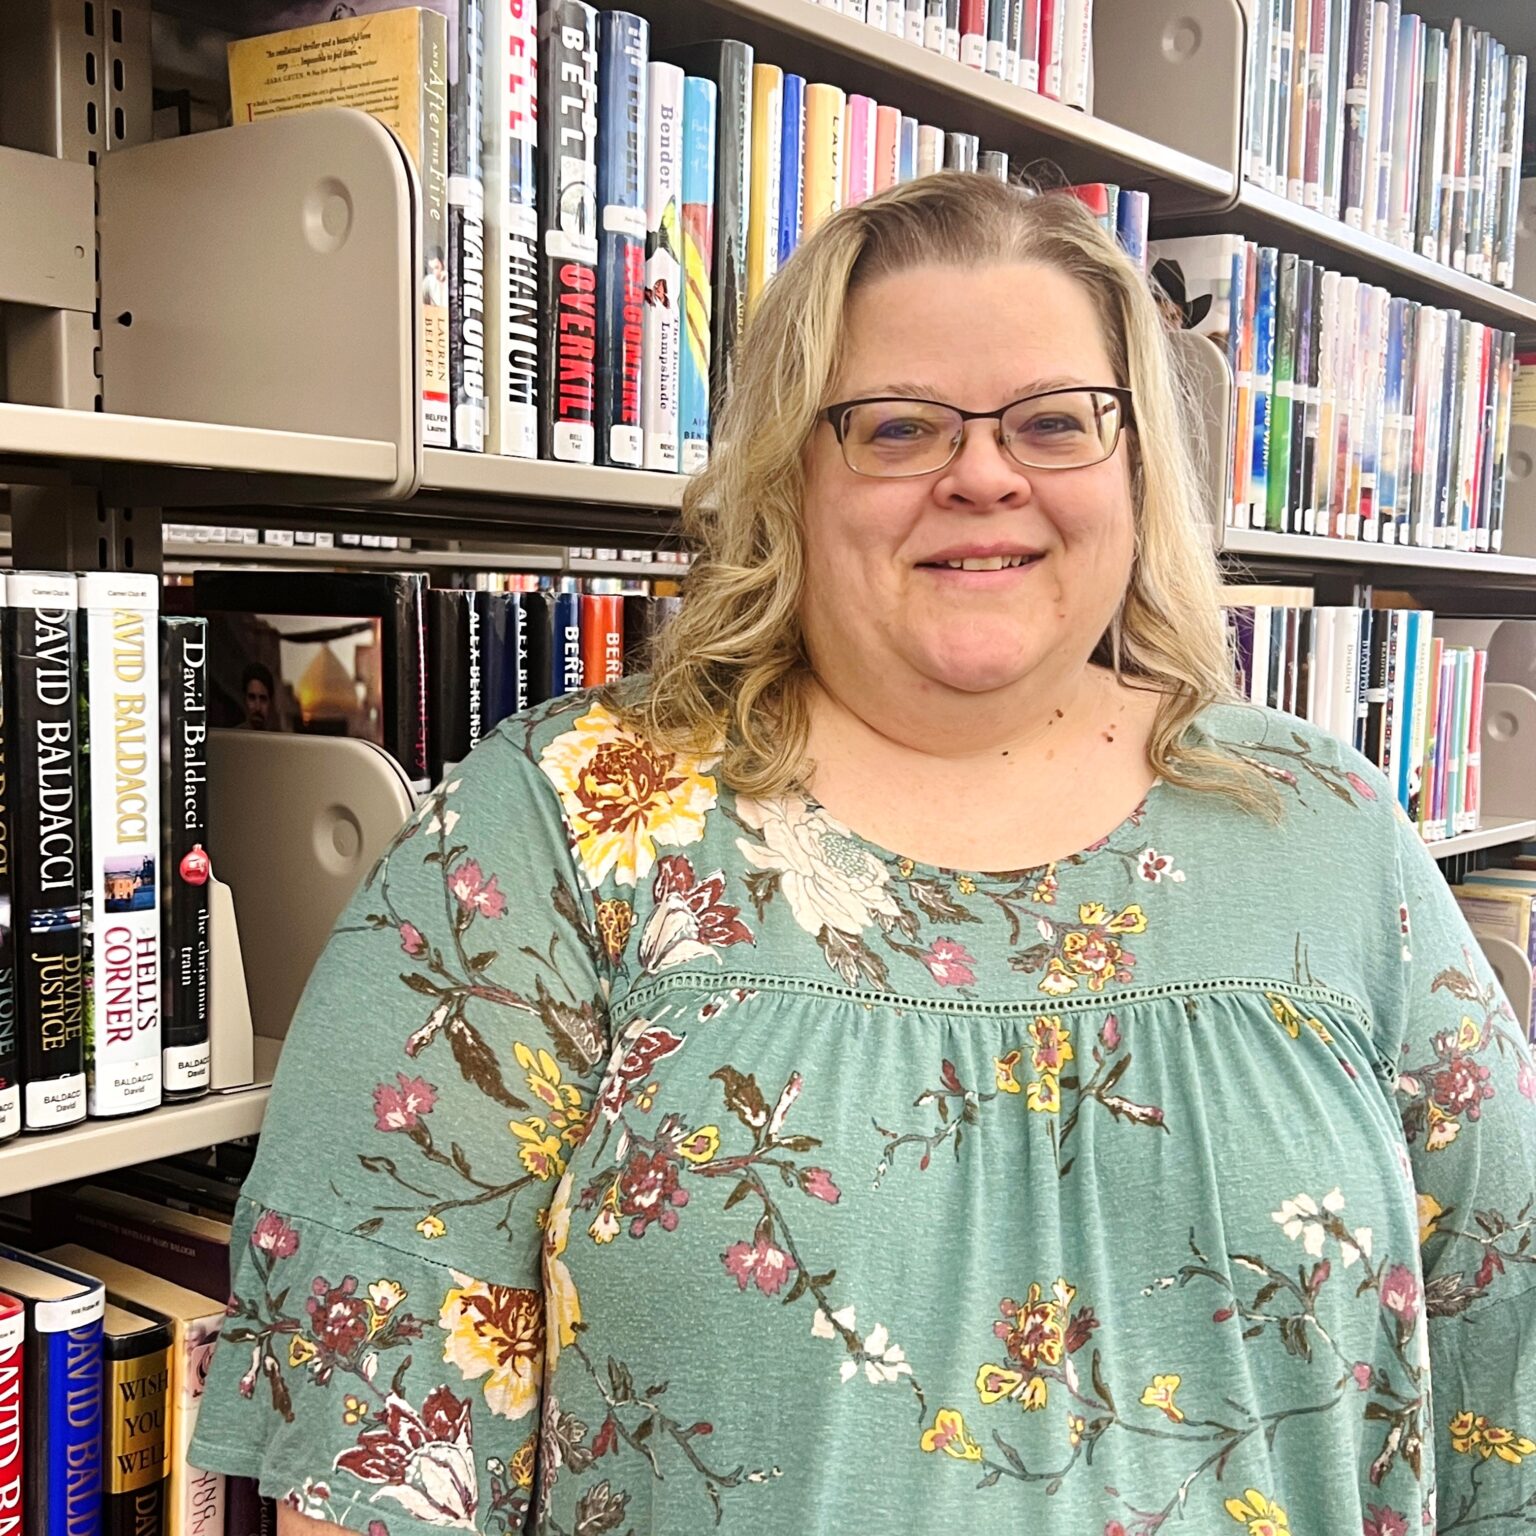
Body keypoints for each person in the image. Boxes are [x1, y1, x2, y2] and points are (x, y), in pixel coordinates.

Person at [189, 176, 1536, 1535]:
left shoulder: (1319, 825)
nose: (985, 474)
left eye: (1056, 422)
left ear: (1134, 469)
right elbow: (375, 1423)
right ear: (790, 476)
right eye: (898, 428)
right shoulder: (558, 827)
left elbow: (1509, 1349)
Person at [240, 661, 276, 730]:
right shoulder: (231, 738)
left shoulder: (276, 739)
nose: (258, 708)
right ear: (244, 700)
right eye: (252, 698)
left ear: (270, 702)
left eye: (263, 699)